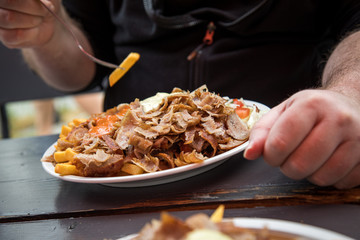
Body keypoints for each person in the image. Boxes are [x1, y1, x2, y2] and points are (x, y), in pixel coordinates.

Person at [1, 0, 359, 189]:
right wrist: (46, 35)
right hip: (114, 185)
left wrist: (348, 93)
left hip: (281, 165)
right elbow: (82, 65)